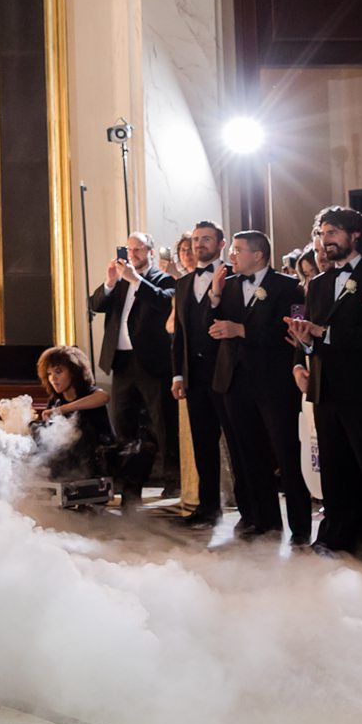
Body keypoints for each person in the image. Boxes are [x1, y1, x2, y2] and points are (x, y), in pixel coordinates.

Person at [292, 207, 362, 567]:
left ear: (355, 235)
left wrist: (324, 334)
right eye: (322, 233)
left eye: (332, 233)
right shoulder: (319, 283)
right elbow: (312, 332)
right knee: (335, 471)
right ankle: (338, 541)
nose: (325, 240)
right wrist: (304, 348)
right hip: (326, 390)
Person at [210, 229, 309, 544]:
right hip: (234, 381)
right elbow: (207, 328)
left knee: (287, 455)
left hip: (274, 383)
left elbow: (292, 335)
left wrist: (242, 329)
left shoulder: (289, 287)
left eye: (238, 250)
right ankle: (264, 520)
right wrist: (213, 296)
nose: (232, 256)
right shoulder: (228, 287)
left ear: (258, 255)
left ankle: (300, 527)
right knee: (249, 455)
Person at [86, 232, 174, 503]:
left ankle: (173, 482)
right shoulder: (120, 280)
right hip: (121, 360)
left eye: (138, 249)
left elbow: (163, 301)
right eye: (129, 249)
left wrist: (136, 280)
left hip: (151, 361)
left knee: (162, 424)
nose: (133, 254)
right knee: (124, 425)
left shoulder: (162, 278)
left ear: (151, 251)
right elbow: (95, 305)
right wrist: (111, 282)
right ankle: (129, 486)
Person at [170, 221, 229, 531]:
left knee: (238, 444)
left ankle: (251, 511)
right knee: (203, 445)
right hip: (194, 377)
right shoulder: (182, 284)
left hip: (229, 375)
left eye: (206, 239)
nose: (199, 245)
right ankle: (208, 509)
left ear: (221, 244)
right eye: (195, 240)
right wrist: (177, 375)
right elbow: (179, 334)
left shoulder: (234, 277)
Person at [33, 344, 118, 487]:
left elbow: (104, 397)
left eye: (58, 372)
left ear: (73, 372)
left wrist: (62, 410)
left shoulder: (89, 393)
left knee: (79, 429)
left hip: (98, 459)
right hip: (68, 461)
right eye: (49, 374)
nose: (53, 378)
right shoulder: (55, 400)